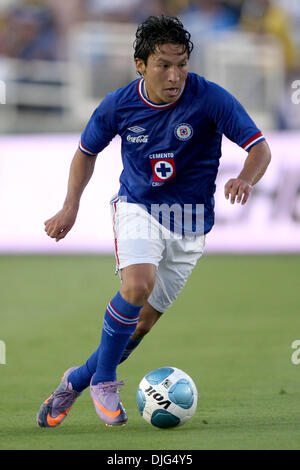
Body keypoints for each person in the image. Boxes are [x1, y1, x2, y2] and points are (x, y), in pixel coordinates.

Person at [37, 15, 271, 428]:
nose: (175, 75)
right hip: (139, 206)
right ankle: (104, 381)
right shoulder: (117, 105)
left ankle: (74, 381)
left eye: (182, 64)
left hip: (191, 224)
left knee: (140, 325)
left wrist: (245, 178)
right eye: (164, 64)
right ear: (140, 65)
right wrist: (69, 206)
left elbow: (260, 149)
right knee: (137, 285)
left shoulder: (210, 98)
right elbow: (85, 153)